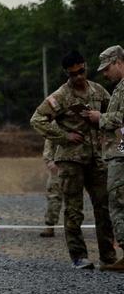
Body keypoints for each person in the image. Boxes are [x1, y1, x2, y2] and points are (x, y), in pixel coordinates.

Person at [30, 49, 116, 270]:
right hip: (71, 160)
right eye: (73, 74)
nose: (78, 77)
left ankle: (108, 257)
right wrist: (63, 136)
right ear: (66, 73)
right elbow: (37, 119)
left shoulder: (98, 91)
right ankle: (79, 257)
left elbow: (113, 114)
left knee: (103, 208)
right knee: (74, 210)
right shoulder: (61, 96)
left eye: (81, 71)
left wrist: (104, 130)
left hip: (97, 159)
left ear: (86, 66)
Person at [84, 45, 124, 270]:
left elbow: (122, 117)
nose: (105, 74)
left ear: (119, 62)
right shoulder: (119, 88)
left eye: (107, 68)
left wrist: (100, 118)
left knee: (117, 203)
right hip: (117, 151)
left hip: (121, 154)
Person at [39, 138, 62, 237]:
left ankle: (74, 227)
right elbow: (48, 146)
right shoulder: (55, 124)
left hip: (79, 164)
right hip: (58, 166)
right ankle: (50, 226)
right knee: (53, 195)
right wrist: (50, 163)